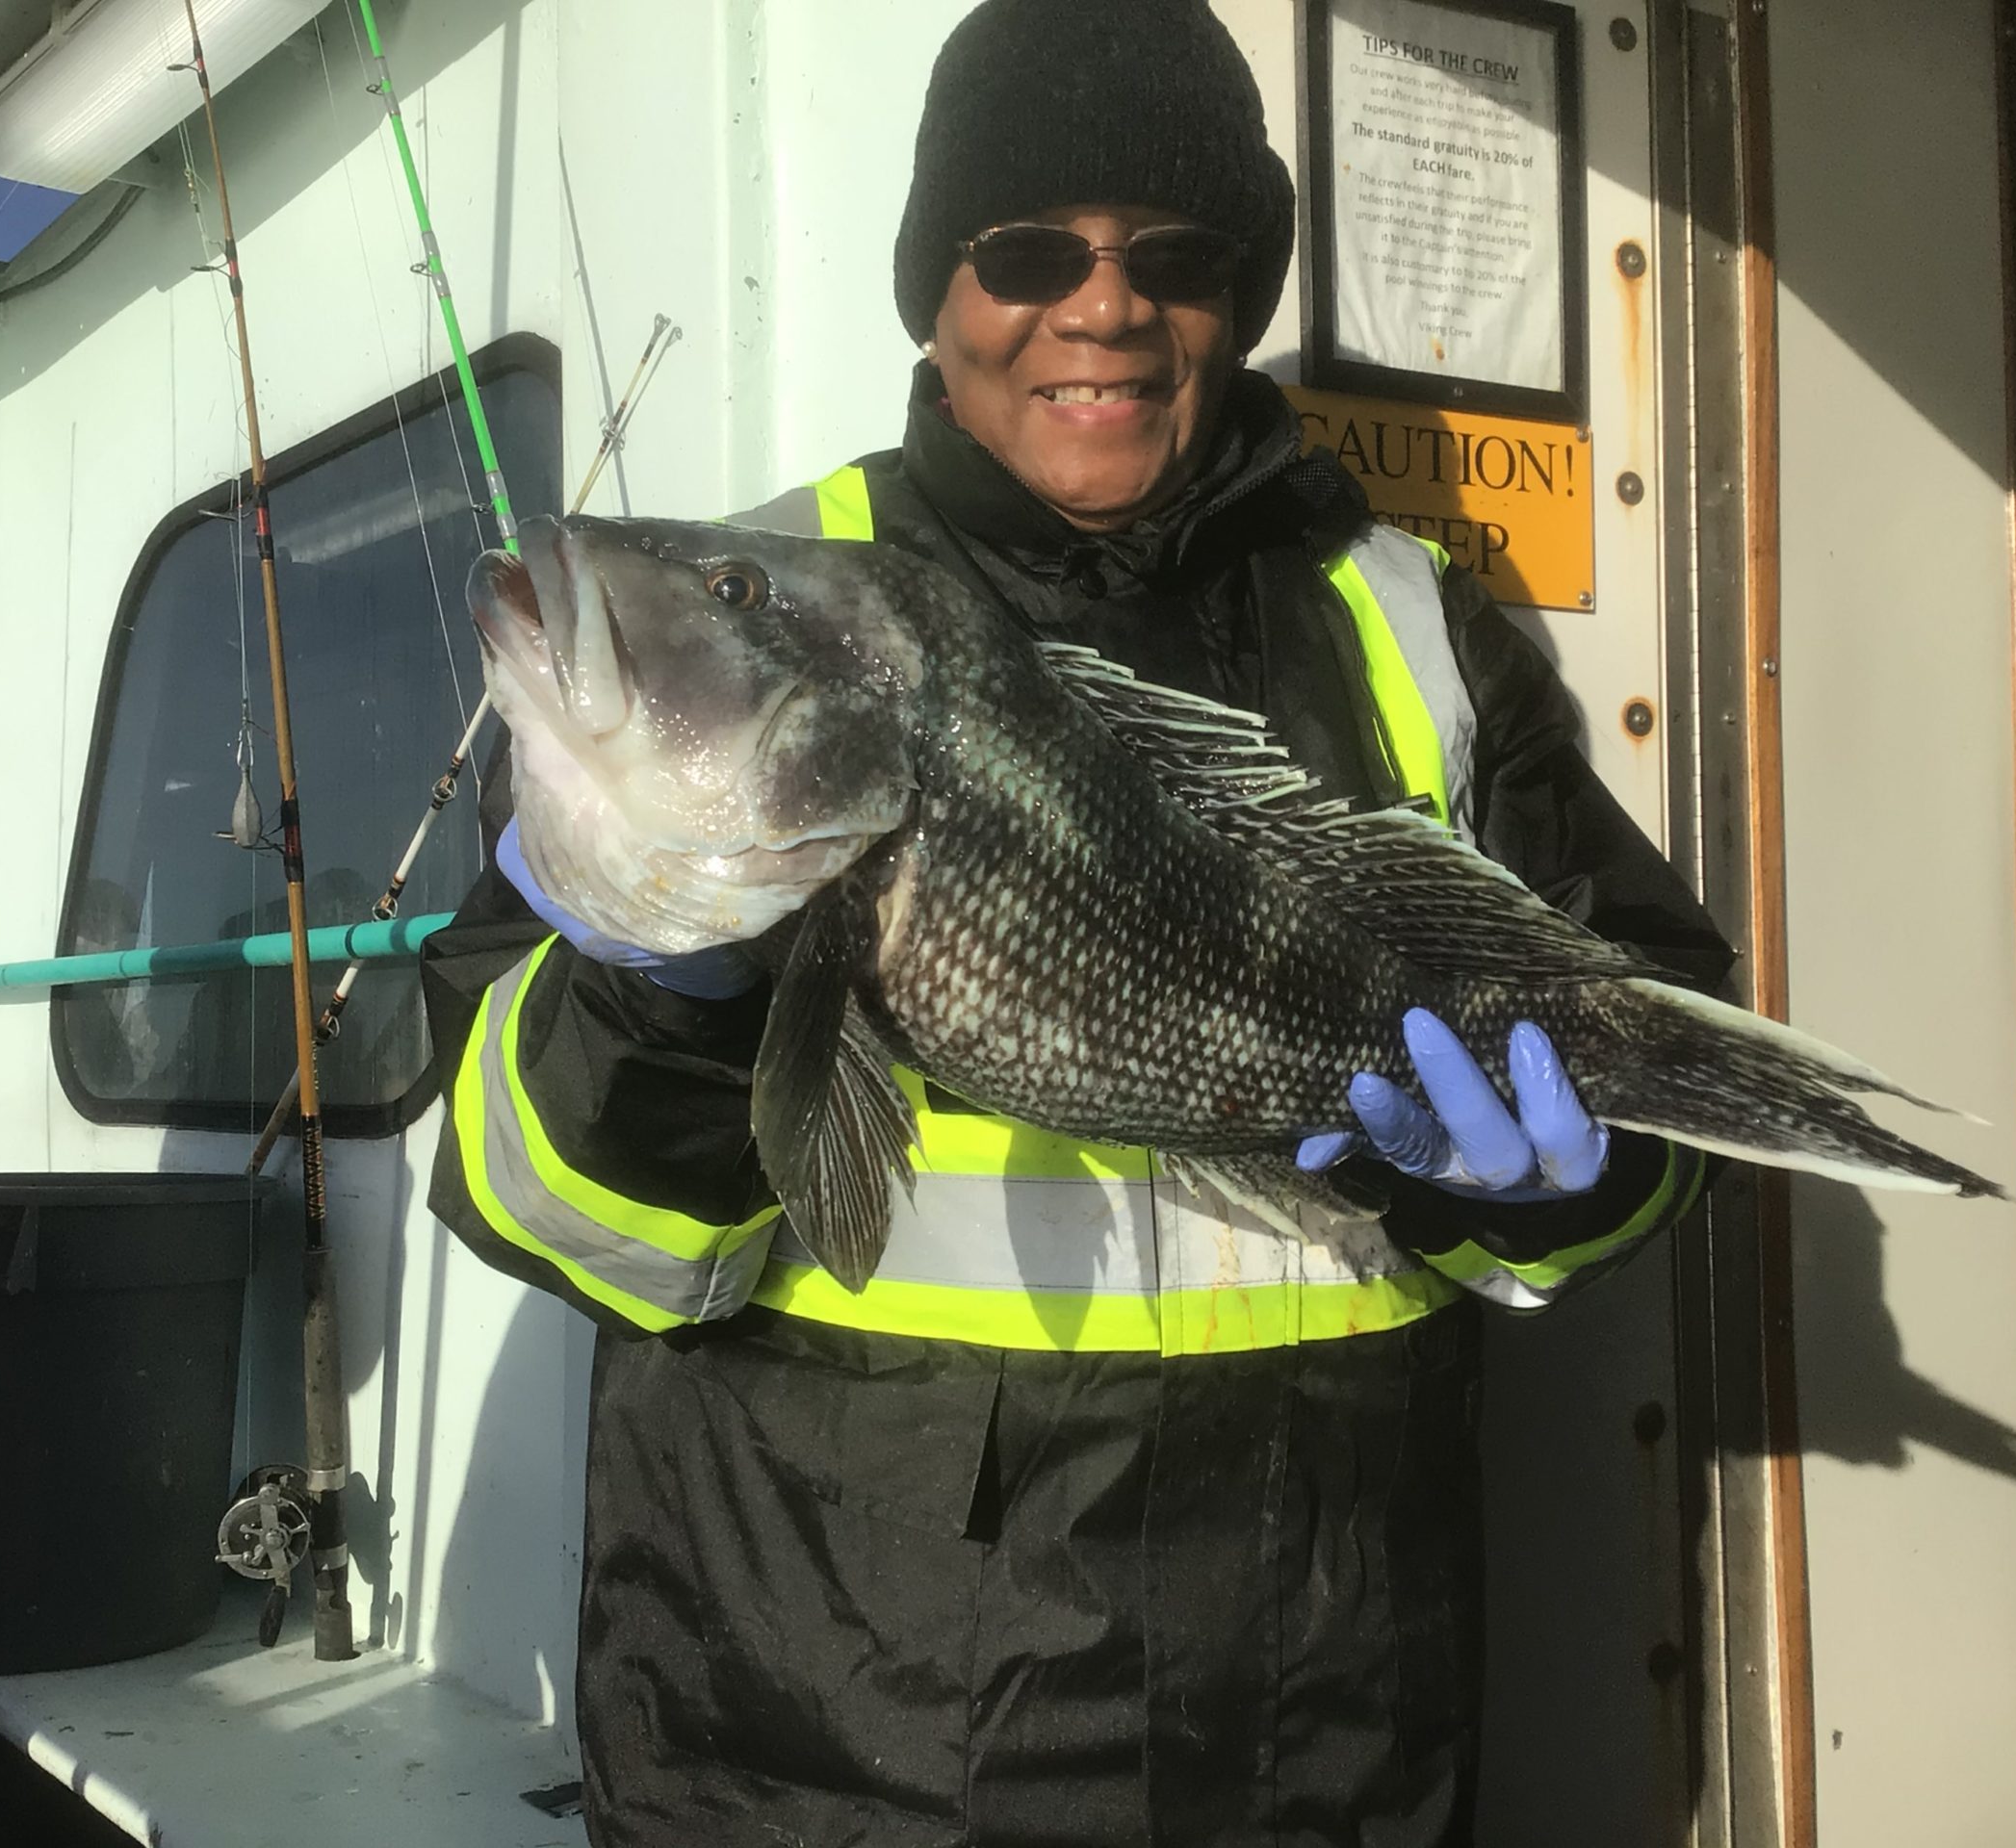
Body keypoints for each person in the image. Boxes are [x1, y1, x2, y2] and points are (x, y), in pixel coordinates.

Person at [423, 3, 1732, 1840]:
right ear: (936, 293)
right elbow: (538, 1207)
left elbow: (1657, 1053)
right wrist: (671, 995)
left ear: (1238, 296)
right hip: (836, 1770)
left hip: (1326, 1758)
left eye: (1175, 258)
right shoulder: (763, 625)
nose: (1101, 308)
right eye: (1027, 249)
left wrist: (1556, 1184)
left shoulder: (1417, 630)